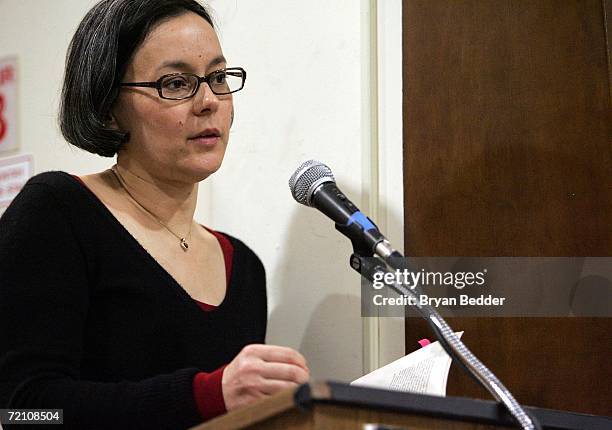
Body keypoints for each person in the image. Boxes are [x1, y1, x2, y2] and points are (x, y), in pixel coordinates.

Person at [0, 0, 309, 428]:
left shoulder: (245, 270)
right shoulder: (58, 210)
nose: (208, 101)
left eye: (218, 78)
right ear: (108, 107)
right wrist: (207, 394)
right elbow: (25, 411)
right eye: (176, 83)